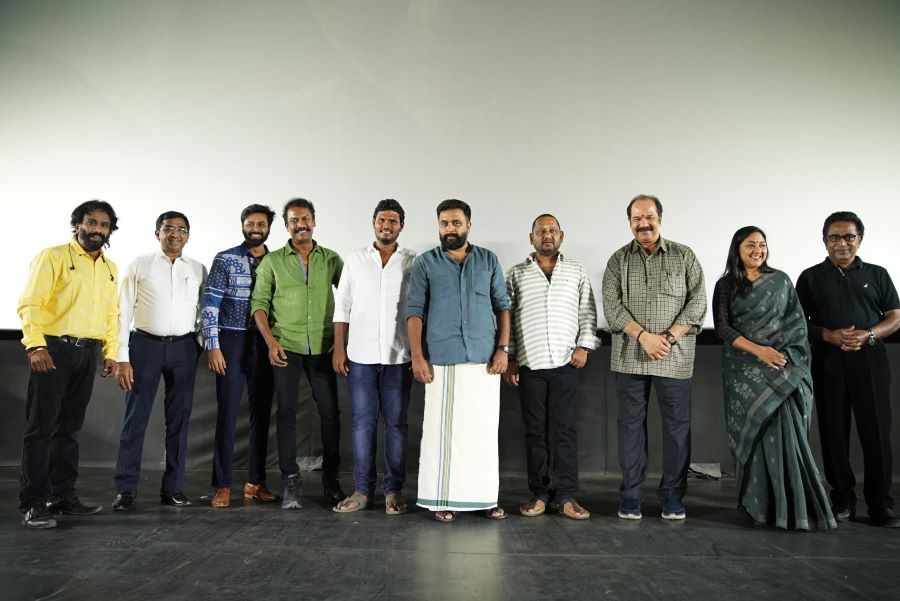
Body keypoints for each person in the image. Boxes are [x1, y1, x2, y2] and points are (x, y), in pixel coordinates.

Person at [713, 226, 836, 530]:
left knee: (786, 436)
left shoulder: (781, 281)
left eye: (762, 244)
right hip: (743, 369)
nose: (757, 250)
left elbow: (797, 325)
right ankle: (760, 508)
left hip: (782, 368)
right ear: (737, 249)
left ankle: (794, 508)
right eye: (750, 245)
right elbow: (723, 328)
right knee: (754, 438)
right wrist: (760, 352)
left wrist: (782, 358)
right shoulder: (726, 284)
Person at [601, 194, 706, 521]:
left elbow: (697, 304)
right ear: (629, 222)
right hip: (629, 357)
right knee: (630, 428)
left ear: (660, 218)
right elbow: (612, 307)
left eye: (649, 216)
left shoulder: (684, 256)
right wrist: (644, 337)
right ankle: (631, 496)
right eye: (636, 218)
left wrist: (668, 338)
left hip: (675, 357)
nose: (643, 223)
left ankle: (672, 497)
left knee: (677, 429)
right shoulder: (618, 260)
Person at [17, 200, 120, 529]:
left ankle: (62, 496)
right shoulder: (54, 257)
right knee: (41, 429)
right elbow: (30, 304)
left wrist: (110, 352)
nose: (97, 229)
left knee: (70, 430)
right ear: (78, 224)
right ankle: (34, 503)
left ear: (110, 230)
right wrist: (36, 346)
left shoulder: (109, 268)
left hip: (88, 354)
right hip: (54, 350)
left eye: (104, 225)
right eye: (91, 222)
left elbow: (112, 315)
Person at [407, 198, 511, 522]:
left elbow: (502, 306)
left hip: (484, 360)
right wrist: (417, 356)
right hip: (442, 360)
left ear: (469, 225)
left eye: (456, 222)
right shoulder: (426, 263)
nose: (449, 229)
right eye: (444, 223)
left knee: (483, 433)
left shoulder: (488, 260)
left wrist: (503, 349)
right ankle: (441, 499)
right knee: (443, 435)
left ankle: (485, 499)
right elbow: (415, 312)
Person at [796, 211, 900, 528]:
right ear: (824, 241)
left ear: (859, 239)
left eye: (848, 237)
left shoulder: (878, 274)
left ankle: (880, 504)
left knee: (876, 432)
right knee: (834, 433)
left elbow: (895, 317)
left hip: (869, 359)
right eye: (834, 237)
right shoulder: (810, 277)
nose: (842, 243)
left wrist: (868, 335)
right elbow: (798, 322)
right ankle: (842, 500)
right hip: (828, 360)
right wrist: (828, 335)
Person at [251, 198, 345, 510]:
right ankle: (290, 479)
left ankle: (331, 479)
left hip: (322, 348)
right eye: (294, 220)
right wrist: (271, 343)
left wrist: (341, 342)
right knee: (286, 413)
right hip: (285, 347)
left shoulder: (330, 259)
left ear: (314, 221)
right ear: (287, 225)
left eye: (305, 219)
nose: (300, 224)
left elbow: (350, 298)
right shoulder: (273, 261)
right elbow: (259, 304)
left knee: (330, 413)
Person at [504, 214, 600, 520]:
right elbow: (507, 319)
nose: (547, 235)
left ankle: (566, 496)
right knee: (535, 433)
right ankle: (539, 495)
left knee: (565, 431)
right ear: (531, 237)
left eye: (552, 230)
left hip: (565, 362)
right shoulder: (516, 274)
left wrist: (584, 346)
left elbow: (587, 311)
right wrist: (510, 359)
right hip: (529, 364)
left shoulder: (576, 271)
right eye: (541, 231)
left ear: (561, 236)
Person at [111, 211, 207, 511]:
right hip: (145, 347)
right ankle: (126, 490)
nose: (175, 234)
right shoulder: (139, 265)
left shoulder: (198, 269)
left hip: (184, 349)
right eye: (168, 228)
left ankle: (173, 488)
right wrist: (122, 357)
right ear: (157, 233)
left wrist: (199, 343)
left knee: (179, 419)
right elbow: (123, 311)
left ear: (188, 235)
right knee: (135, 419)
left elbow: (204, 310)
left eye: (181, 229)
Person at [332, 199, 417, 515]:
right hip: (360, 356)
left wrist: (418, 352)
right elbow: (343, 306)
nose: (386, 225)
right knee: (363, 424)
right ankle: (362, 490)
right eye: (382, 219)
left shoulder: (413, 261)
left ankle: (393, 491)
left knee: (396, 425)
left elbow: (419, 308)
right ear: (373, 223)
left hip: (399, 356)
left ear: (401, 226)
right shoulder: (355, 259)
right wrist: (339, 348)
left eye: (393, 221)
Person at [201, 204, 279, 508]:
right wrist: (213, 345)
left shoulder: (277, 260)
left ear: (269, 228)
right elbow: (210, 303)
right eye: (250, 223)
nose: (255, 228)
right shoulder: (225, 258)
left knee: (262, 413)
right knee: (228, 411)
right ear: (243, 225)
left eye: (261, 224)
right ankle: (222, 485)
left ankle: (255, 482)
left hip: (264, 342)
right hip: (231, 341)